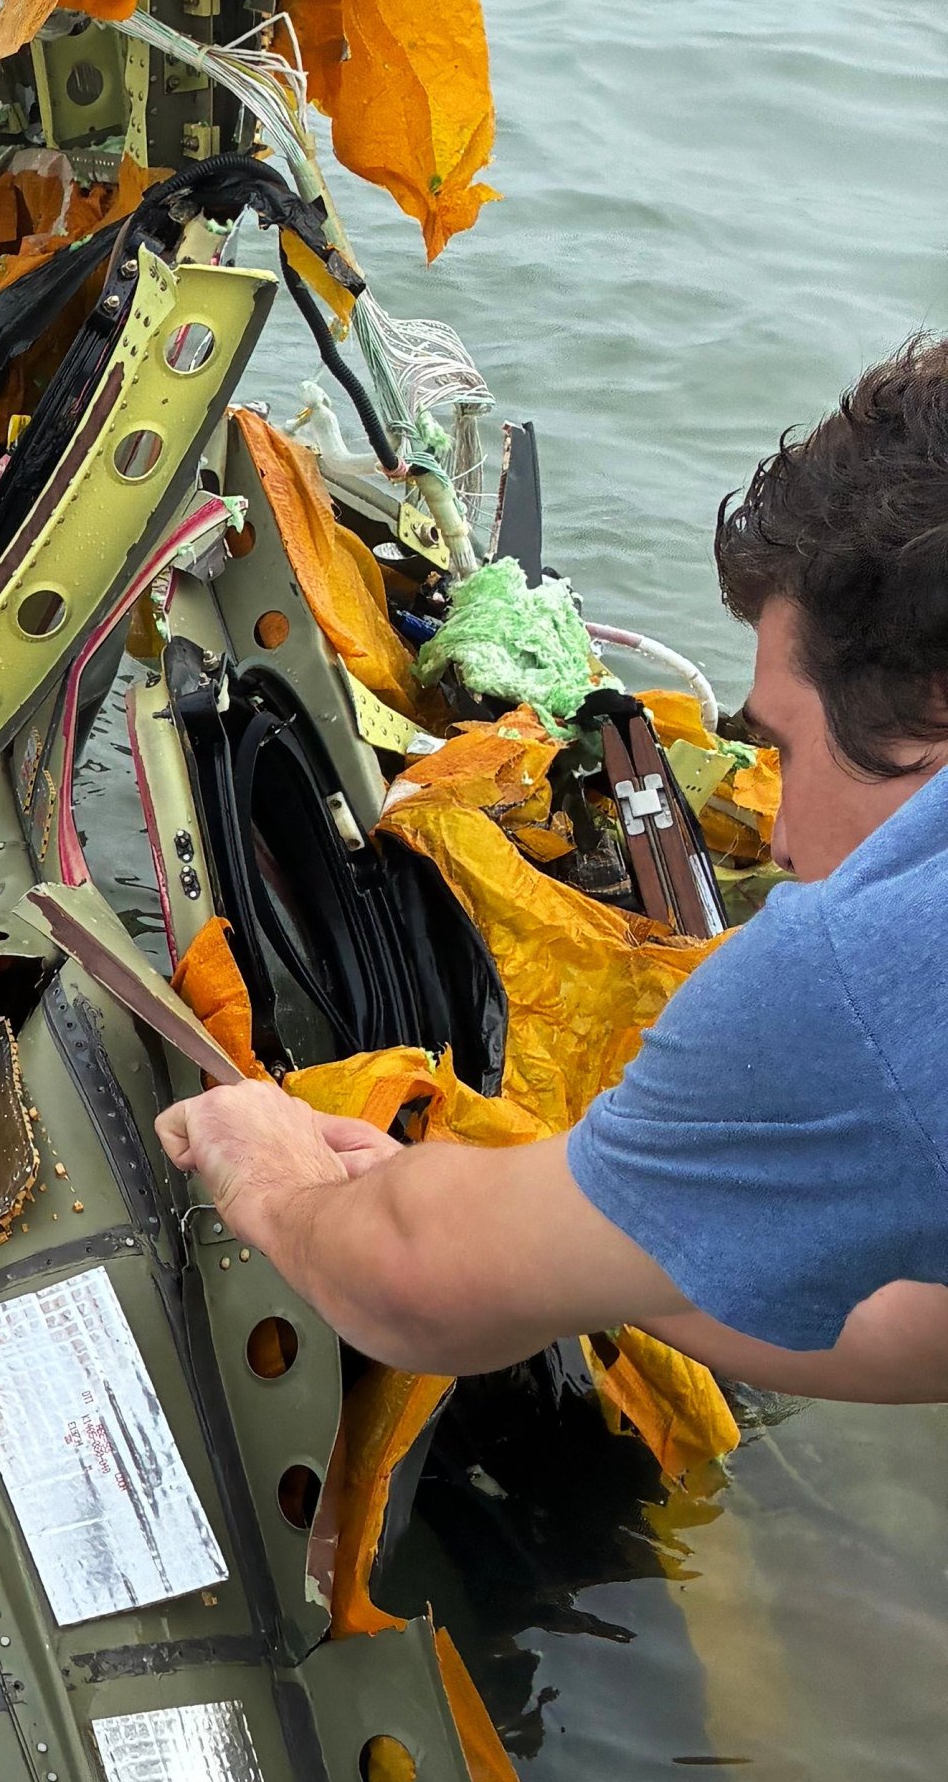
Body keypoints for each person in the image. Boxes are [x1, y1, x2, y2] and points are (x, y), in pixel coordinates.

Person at [157, 335, 948, 1405]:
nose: (787, 846)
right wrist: (596, 1242)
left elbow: (411, 1284)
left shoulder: (874, 966)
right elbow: (920, 1327)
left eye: (790, 746)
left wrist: (279, 1183)